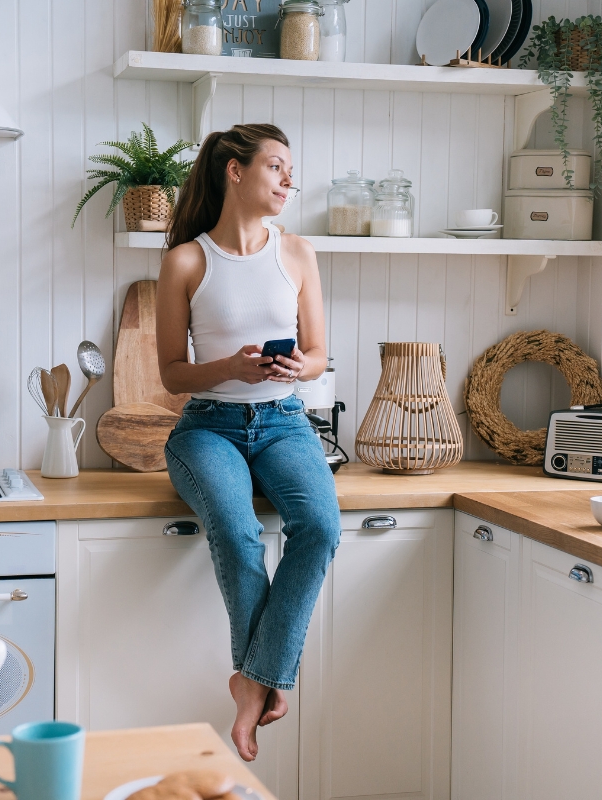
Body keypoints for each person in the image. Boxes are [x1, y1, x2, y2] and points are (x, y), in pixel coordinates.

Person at [156, 123, 341, 763]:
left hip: (284, 420)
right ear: (235, 171)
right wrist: (229, 368)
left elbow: (318, 354)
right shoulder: (186, 261)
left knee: (320, 527)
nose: (289, 180)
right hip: (208, 427)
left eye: (290, 170)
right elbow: (171, 374)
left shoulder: (298, 253)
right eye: (276, 166)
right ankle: (263, 678)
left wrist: (297, 368)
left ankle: (252, 679)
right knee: (237, 531)